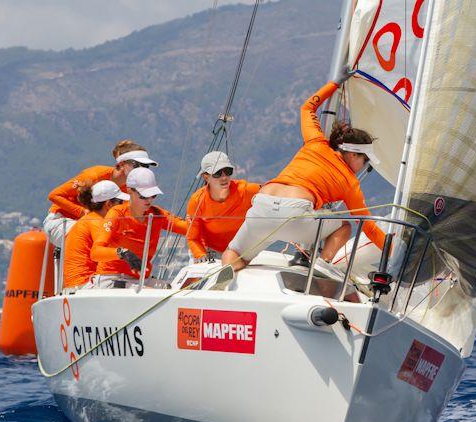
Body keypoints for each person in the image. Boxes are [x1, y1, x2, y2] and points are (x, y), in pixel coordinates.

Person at [222, 79, 385, 272]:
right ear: (352, 154)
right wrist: (392, 250)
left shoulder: (315, 142)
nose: (363, 165)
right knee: (344, 226)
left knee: (234, 252)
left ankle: (227, 272)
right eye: (364, 160)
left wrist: (334, 83)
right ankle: (321, 265)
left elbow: (307, 108)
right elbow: (367, 226)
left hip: (262, 205)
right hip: (295, 214)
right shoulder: (349, 182)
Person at [42, 140, 157, 247]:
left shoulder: (129, 187)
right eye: (137, 165)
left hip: (90, 225)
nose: (143, 170)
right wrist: (82, 212)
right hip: (60, 221)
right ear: (122, 164)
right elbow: (54, 195)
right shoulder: (94, 176)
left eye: (146, 166)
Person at [89, 167, 188, 288]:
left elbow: (189, 228)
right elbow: (95, 253)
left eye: (153, 195)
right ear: (130, 190)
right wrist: (122, 253)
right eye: (144, 196)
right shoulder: (117, 213)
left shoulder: (157, 214)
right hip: (112, 278)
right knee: (153, 293)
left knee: (169, 290)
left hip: (141, 280)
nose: (149, 200)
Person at [186, 151, 260, 262]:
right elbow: (193, 238)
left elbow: (273, 190)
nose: (224, 177)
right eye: (217, 173)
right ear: (206, 177)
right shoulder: (196, 202)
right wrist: (200, 254)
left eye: (228, 171)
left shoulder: (246, 190)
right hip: (211, 254)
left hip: (242, 251)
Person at [62, 181, 129, 289]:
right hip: (85, 284)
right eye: (120, 202)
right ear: (109, 204)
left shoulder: (91, 219)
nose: (123, 207)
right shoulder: (97, 223)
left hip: (80, 283)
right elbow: (109, 255)